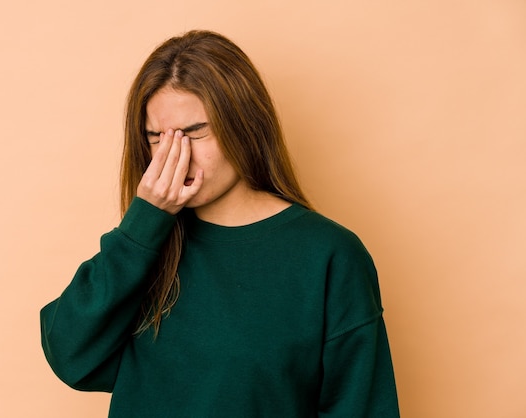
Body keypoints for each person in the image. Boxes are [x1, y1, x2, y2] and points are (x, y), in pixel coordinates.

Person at [40, 29, 399, 417]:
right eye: (157, 137)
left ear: (243, 126)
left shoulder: (329, 255)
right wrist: (143, 223)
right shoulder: (144, 247)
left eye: (195, 132)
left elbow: (361, 405)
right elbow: (70, 356)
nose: (177, 155)